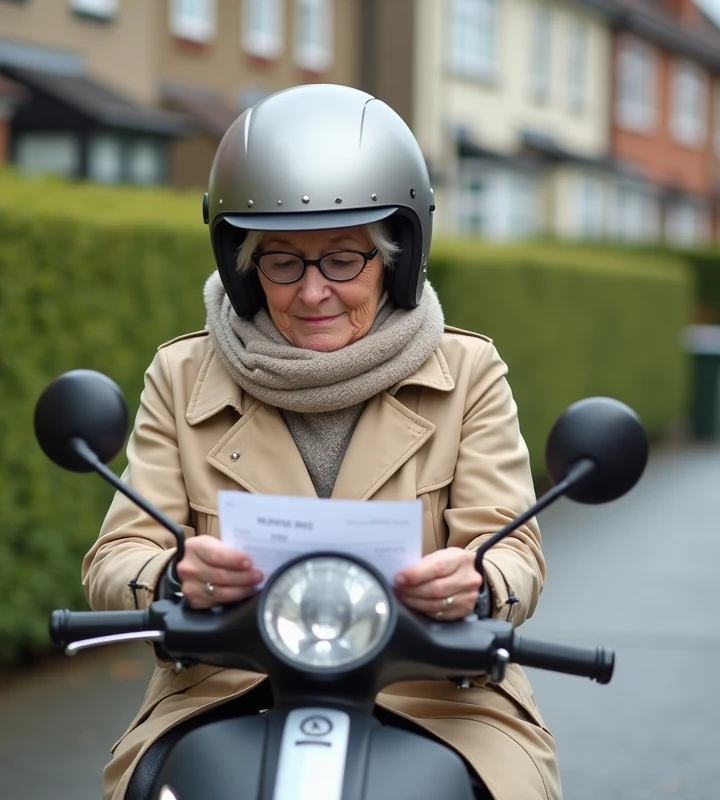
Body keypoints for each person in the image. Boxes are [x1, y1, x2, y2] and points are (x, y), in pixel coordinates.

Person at [83, 84, 561, 800]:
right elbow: (115, 561)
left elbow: (512, 549)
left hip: (436, 695)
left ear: (396, 260)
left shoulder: (468, 372)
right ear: (244, 269)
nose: (312, 293)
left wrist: (480, 582)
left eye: (344, 259)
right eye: (282, 261)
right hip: (226, 687)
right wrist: (174, 575)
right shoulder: (182, 375)